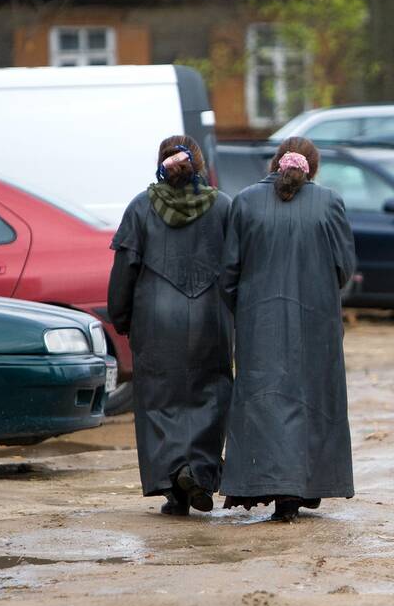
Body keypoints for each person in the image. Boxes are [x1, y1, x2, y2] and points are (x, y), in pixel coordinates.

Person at [220, 137, 356, 522]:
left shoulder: (244, 201)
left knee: (264, 401)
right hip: (317, 322)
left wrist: (245, 311)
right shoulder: (329, 203)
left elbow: (228, 273)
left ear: (274, 163)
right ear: (313, 167)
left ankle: (270, 483)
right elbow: (344, 268)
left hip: (258, 322)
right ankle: (301, 488)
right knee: (312, 400)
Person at [108, 136, 233, 516]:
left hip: (156, 319)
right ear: (198, 163)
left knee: (160, 402)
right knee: (209, 395)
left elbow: (124, 271)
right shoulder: (223, 206)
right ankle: (197, 470)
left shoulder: (140, 207)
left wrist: (122, 317)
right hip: (211, 317)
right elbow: (237, 267)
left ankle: (174, 484)